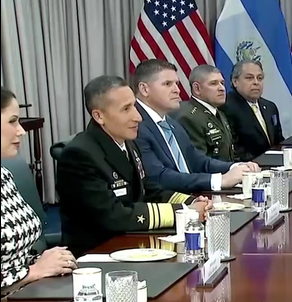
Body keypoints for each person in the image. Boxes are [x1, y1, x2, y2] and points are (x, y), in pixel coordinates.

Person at [56, 76, 210, 256]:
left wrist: (191, 202)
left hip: (131, 244)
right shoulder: (79, 155)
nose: (138, 117)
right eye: (126, 109)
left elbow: (149, 191)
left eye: (134, 106)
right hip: (97, 254)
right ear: (99, 116)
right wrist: (184, 212)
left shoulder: (128, 142)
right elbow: (114, 216)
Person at [132, 59, 256, 193]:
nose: (177, 90)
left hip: (191, 196)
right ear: (144, 89)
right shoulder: (135, 125)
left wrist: (235, 167)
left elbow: (196, 160)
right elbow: (158, 177)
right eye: (167, 84)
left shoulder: (171, 123)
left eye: (176, 84)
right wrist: (219, 180)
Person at [1, 87, 77, 295]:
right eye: (12, 121)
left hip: (25, 297)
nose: (21, 131)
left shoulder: (4, 175)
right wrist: (34, 271)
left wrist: (49, 260)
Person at [221, 60, 285, 161]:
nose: (256, 82)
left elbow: (279, 140)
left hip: (276, 164)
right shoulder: (226, 107)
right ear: (235, 81)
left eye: (259, 78)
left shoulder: (270, 106)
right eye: (249, 78)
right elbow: (234, 149)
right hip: (250, 166)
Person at [174, 65, 237, 162]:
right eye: (213, 83)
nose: (222, 88)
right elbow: (199, 162)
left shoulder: (219, 113)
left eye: (222, 83)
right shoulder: (189, 117)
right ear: (197, 88)